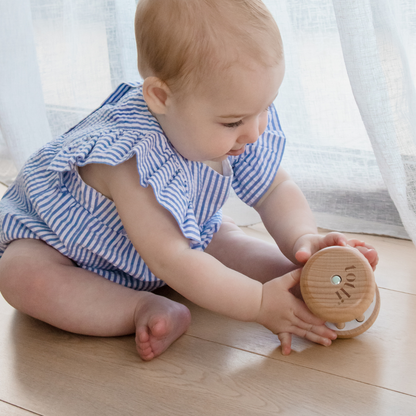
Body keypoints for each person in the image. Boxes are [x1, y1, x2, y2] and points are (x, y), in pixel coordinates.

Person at [0, 0, 378, 360]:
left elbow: (274, 188)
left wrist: (302, 238)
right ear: (161, 97)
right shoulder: (132, 158)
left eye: (266, 107)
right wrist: (257, 304)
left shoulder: (238, 116)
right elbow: (173, 259)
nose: (254, 131)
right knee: (20, 274)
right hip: (68, 250)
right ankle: (138, 307)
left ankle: (303, 277)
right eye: (234, 122)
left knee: (222, 237)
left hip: (176, 242)